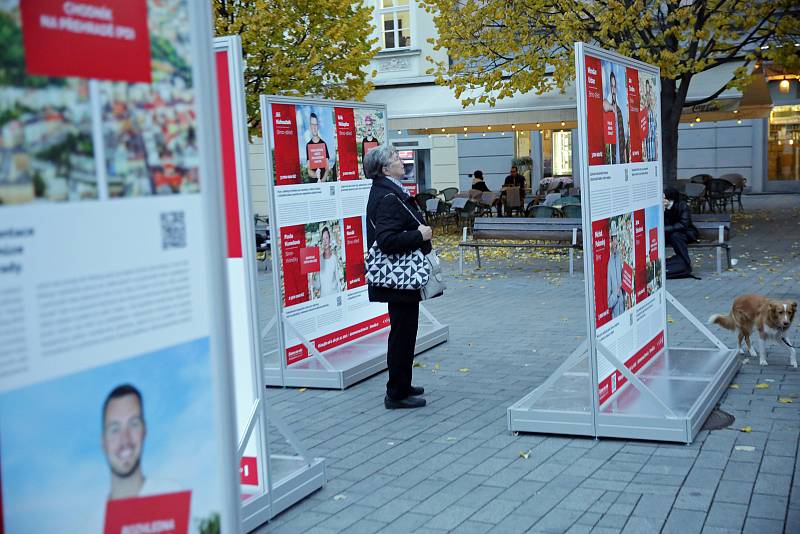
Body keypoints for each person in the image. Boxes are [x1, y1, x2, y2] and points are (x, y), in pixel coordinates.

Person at [364, 144, 432, 409]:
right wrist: (420, 235)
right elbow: (387, 240)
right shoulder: (388, 196)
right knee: (402, 334)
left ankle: (402, 383)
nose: (400, 161)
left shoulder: (390, 191)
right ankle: (396, 393)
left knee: (405, 332)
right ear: (384, 168)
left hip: (400, 279)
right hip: (399, 278)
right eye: (395, 158)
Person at [663, 186, 699, 278]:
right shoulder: (662, 207)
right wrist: (664, 210)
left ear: (670, 199)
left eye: (664, 197)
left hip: (686, 233)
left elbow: (683, 225)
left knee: (675, 236)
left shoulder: (682, 206)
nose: (662, 199)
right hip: (669, 234)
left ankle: (685, 263)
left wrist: (665, 229)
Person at [602, 70, 628, 164]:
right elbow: (604, 105)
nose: (613, 89)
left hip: (619, 153)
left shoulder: (619, 107)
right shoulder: (607, 102)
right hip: (611, 153)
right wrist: (612, 109)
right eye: (611, 86)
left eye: (614, 86)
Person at [306, 112, 332, 182]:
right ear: (310, 126)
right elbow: (309, 170)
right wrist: (316, 176)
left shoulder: (323, 144)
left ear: (318, 126)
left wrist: (322, 180)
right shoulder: (308, 145)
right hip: (313, 184)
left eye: (316, 125)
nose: (314, 127)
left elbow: (327, 167)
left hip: (324, 182)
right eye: (312, 124)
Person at [606, 220, 625, 319]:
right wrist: (617, 291)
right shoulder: (608, 264)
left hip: (624, 310)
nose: (616, 242)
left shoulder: (618, 256)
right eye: (613, 238)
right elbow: (609, 303)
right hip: (616, 316)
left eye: (616, 238)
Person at [318, 226, 341, 297]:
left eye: (326, 238)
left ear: (329, 239)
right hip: (323, 298)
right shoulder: (319, 260)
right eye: (323, 239)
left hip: (335, 296)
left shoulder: (334, 258)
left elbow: (338, 279)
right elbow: (317, 285)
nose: (325, 241)